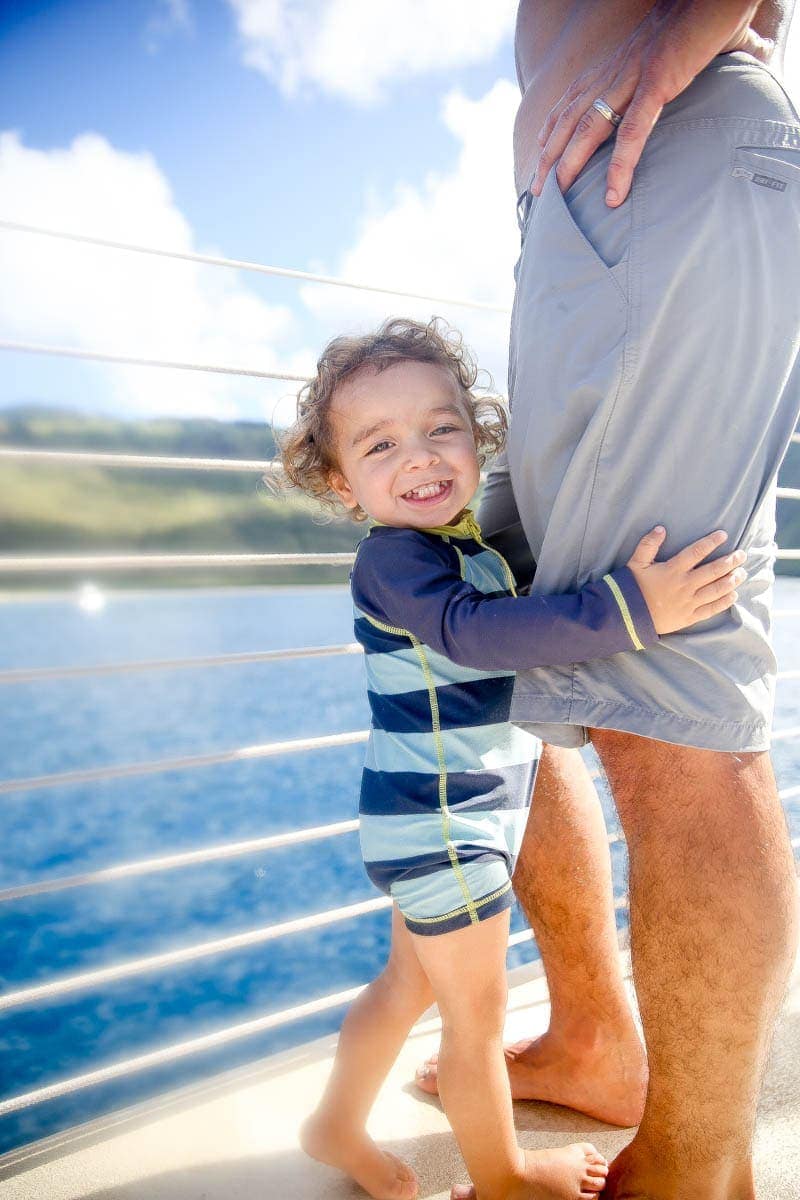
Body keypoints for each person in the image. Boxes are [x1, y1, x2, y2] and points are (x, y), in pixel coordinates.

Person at [415, 4, 800, 1198]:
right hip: (606, 207)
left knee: (665, 690)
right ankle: (592, 1036)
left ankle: (685, 1175)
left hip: (657, 160)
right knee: (483, 629)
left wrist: (679, 35)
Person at [279, 316, 746, 1200]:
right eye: (381, 445)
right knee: (474, 1018)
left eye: (440, 427)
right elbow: (477, 633)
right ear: (342, 485)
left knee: (406, 987)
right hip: (447, 829)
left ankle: (333, 1125)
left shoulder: (458, 548)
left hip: (439, 819)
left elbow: (502, 618)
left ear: (477, 434)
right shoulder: (394, 561)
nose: (419, 456)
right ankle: (504, 1179)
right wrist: (630, 609)